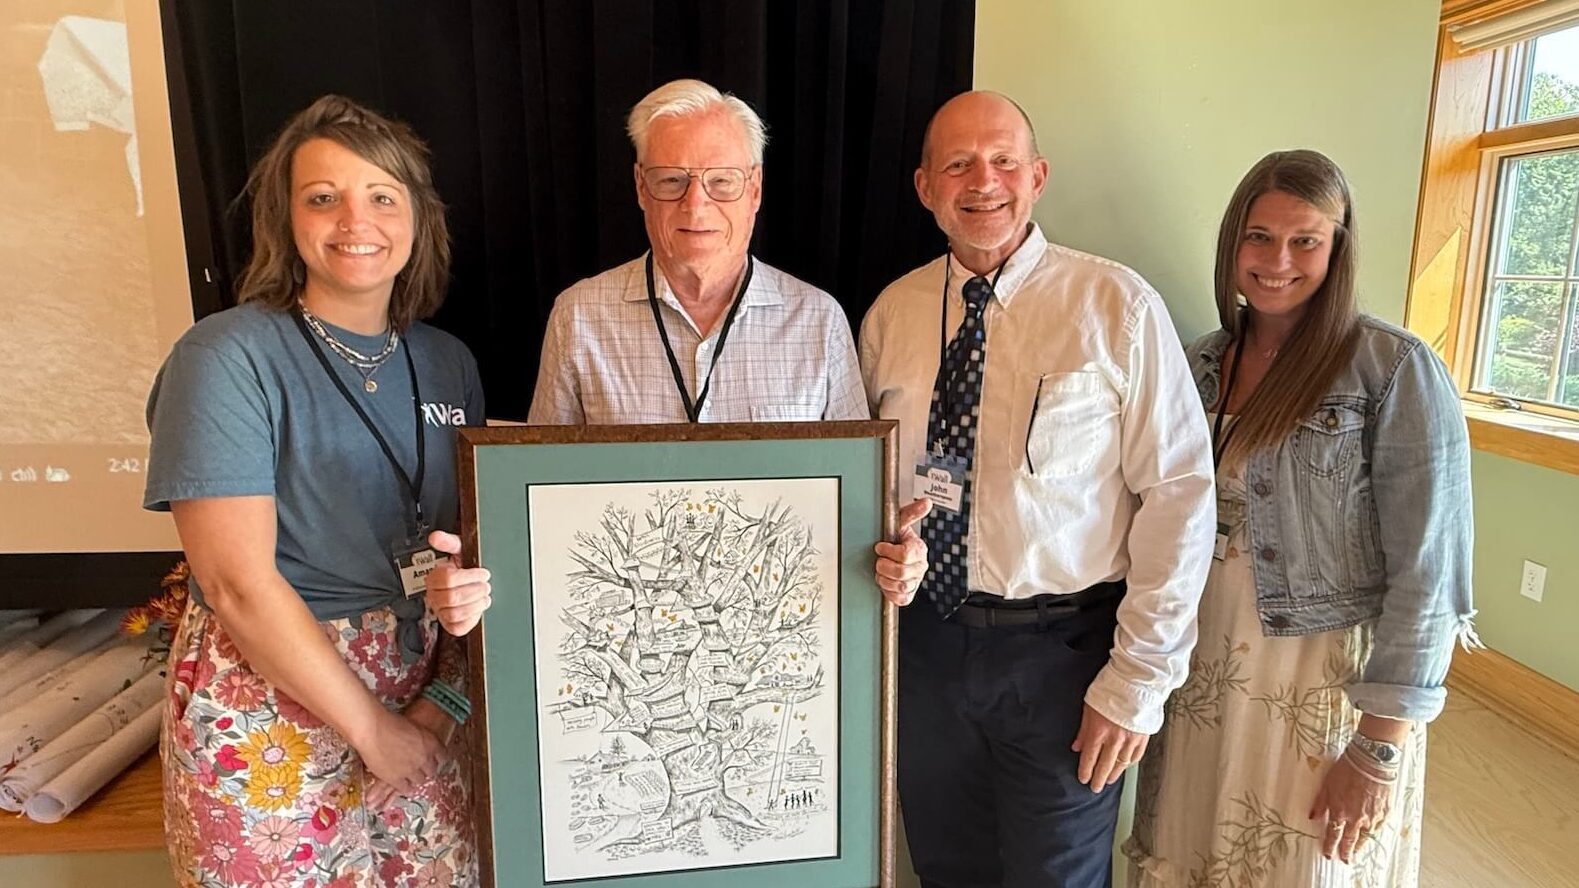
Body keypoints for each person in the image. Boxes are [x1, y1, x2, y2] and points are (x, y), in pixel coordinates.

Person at [863, 91, 1216, 887]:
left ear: (1037, 177)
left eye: (1002, 160)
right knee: (945, 867)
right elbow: (871, 486)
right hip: (924, 651)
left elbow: (1180, 494)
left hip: (1065, 660)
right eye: (956, 163)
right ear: (925, 187)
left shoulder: (1115, 306)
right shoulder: (889, 316)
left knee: (1054, 877)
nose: (980, 180)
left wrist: (1136, 684)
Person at [145, 95, 493, 888]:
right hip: (272, 693)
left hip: (421, 690)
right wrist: (373, 729)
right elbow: (236, 585)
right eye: (322, 197)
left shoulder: (448, 364)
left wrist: (441, 702)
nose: (354, 219)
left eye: (381, 196)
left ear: (415, 218)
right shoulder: (226, 356)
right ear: (286, 219)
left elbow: (466, 548)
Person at [1123, 149, 1476, 886]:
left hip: (1319, 686)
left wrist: (1377, 749)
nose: (1277, 259)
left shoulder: (1392, 369)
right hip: (1200, 670)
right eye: (1258, 236)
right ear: (1232, 243)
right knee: (1191, 859)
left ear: (1337, 249)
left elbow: (1430, 575)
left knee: (1298, 865)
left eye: (1304, 240)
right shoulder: (1199, 364)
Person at [528, 78, 867, 424]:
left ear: (755, 190)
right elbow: (542, 471)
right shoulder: (577, 319)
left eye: (721, 181)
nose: (696, 205)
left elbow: (854, 475)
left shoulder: (820, 323)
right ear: (641, 187)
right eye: (672, 180)